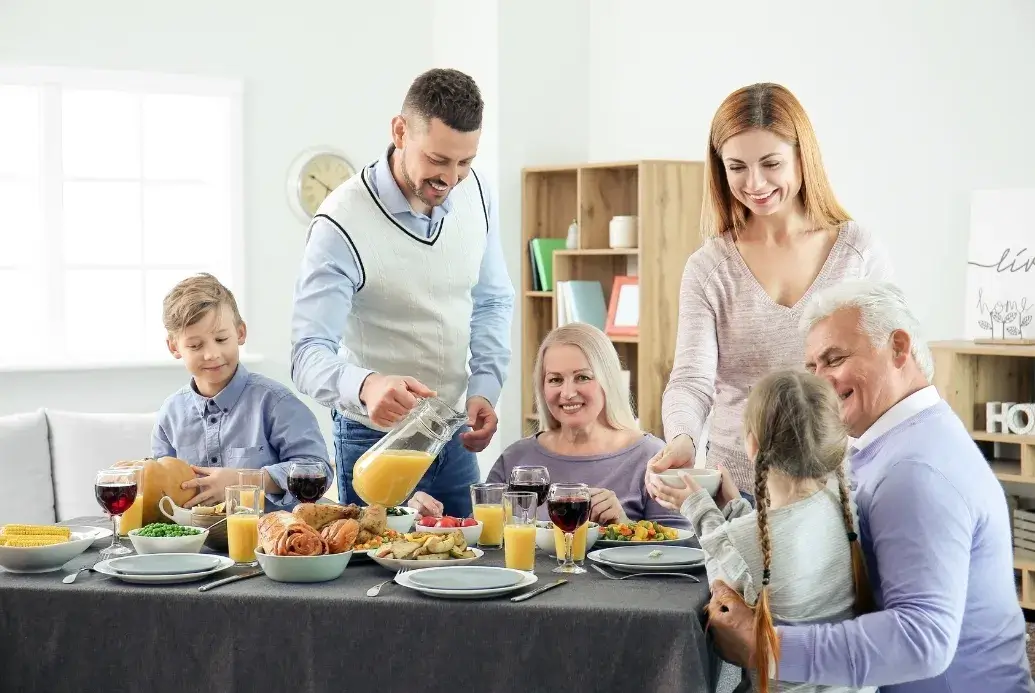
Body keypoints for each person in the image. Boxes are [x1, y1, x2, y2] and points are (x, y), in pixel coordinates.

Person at [706, 280, 1034, 693]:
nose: (820, 383)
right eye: (812, 368)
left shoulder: (914, 471)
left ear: (898, 348)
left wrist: (766, 647)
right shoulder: (911, 439)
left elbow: (922, 641)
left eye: (835, 359)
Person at [646, 82, 892, 502]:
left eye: (770, 163)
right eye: (737, 166)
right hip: (736, 488)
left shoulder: (857, 253)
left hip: (837, 488)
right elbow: (691, 379)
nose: (755, 183)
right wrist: (684, 438)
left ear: (802, 157)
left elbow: (887, 370)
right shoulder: (709, 268)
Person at [290, 68, 514, 518]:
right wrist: (367, 384)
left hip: (451, 434)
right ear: (399, 131)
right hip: (374, 441)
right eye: (438, 160)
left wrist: (485, 388)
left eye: (464, 162)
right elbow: (306, 354)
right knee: (377, 580)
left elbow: (492, 300)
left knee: (468, 567)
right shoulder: (339, 224)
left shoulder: (480, 193)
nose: (451, 178)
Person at [653, 369, 874, 693]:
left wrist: (698, 509)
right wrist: (733, 507)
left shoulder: (744, 540)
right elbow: (769, 544)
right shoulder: (843, 506)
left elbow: (723, 586)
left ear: (752, 445)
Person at [152, 273, 332, 511]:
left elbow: (317, 469)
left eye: (221, 338)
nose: (211, 354)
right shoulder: (170, 414)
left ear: (240, 333)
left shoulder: (275, 403)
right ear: (174, 347)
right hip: (197, 544)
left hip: (272, 541)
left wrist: (245, 481)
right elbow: (159, 487)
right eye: (195, 346)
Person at [483, 323, 689, 529]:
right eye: (555, 379)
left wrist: (625, 526)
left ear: (606, 381)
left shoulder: (652, 457)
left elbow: (684, 550)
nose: (567, 392)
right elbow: (483, 540)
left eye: (582, 377)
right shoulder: (515, 458)